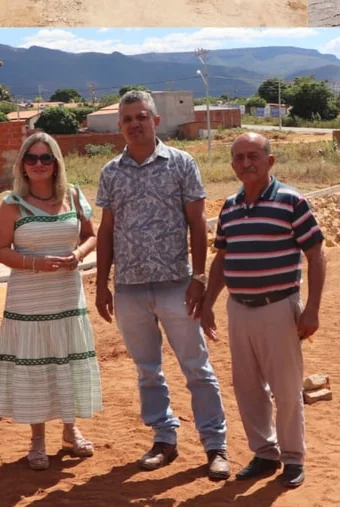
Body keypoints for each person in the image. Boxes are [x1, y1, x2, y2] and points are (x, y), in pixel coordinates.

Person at [95, 90, 230, 480]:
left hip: (176, 284)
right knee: (147, 370)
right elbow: (107, 230)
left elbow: (197, 224)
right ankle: (164, 437)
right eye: (127, 119)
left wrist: (199, 277)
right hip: (131, 289)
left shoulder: (181, 163)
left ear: (155, 120)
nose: (134, 123)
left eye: (141, 116)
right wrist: (103, 284)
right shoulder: (111, 172)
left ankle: (215, 445)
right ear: (120, 126)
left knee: (197, 368)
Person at [201, 132, 327, 490]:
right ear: (232, 165)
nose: (245, 164)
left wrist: (313, 309)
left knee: (285, 388)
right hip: (239, 309)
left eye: (253, 156)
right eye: (239, 158)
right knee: (247, 387)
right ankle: (265, 452)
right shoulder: (229, 206)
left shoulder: (291, 201)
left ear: (270, 161)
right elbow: (222, 258)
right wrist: (209, 303)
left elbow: (316, 254)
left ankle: (292, 458)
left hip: (278, 308)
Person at [0, 132, 101, 468]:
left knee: (66, 359)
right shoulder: (11, 205)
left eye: (46, 158)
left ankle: (70, 429)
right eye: (31, 158)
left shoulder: (75, 196)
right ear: (22, 164)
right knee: (36, 365)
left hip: (67, 296)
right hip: (29, 301)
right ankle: (37, 438)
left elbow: (92, 236)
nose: (39, 164)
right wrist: (35, 263)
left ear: (56, 164)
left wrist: (77, 254)